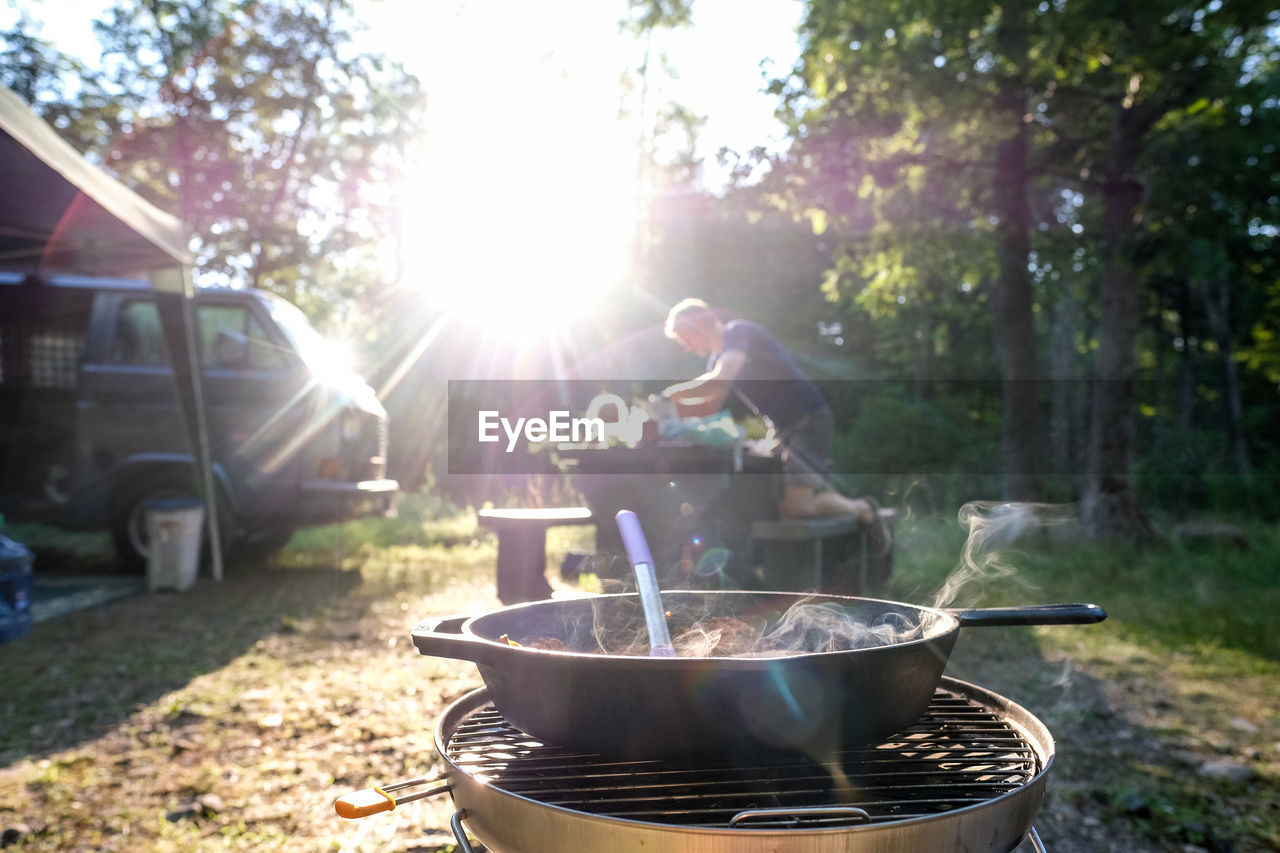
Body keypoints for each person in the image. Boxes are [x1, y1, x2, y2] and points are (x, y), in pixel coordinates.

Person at [660, 298, 890, 553]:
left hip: (807, 420)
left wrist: (671, 393)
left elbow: (720, 382)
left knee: (797, 508)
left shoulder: (738, 332)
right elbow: (707, 409)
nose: (686, 347)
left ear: (699, 322)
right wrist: (664, 417)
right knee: (778, 508)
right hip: (781, 431)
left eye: (684, 337)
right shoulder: (715, 361)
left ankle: (863, 509)